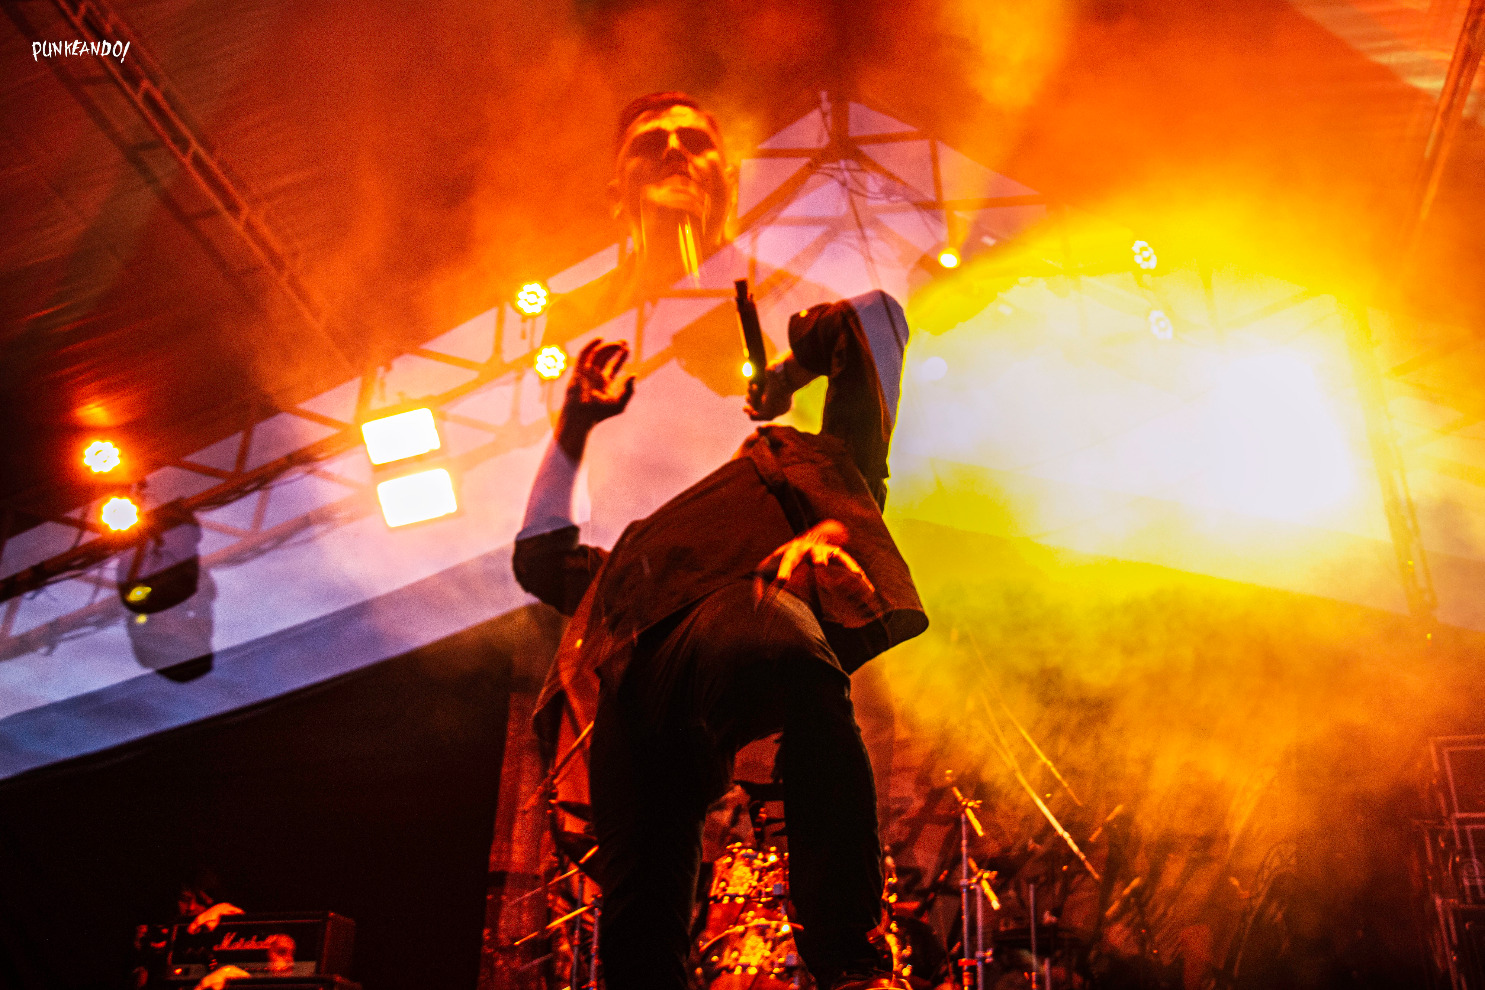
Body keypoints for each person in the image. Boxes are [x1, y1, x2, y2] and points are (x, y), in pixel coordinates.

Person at [512, 274, 925, 990]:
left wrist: (787, 375)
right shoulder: (634, 560)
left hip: (734, 608)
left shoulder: (827, 470)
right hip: (629, 673)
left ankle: (852, 965)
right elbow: (540, 555)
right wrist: (574, 426)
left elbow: (873, 316)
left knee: (787, 646)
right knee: (640, 929)